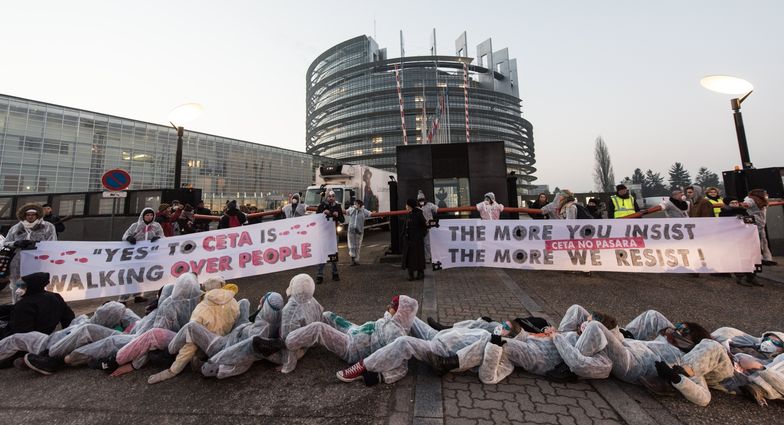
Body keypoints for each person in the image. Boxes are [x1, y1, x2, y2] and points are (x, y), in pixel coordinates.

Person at [284, 295, 418, 375]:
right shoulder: (392, 319)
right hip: (356, 331)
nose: (389, 307)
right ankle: (307, 338)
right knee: (326, 315)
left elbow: (398, 363)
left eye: (392, 305)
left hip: (352, 347)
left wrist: (379, 375)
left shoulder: (397, 334)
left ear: (400, 311)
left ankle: (288, 342)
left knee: (319, 328)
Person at [147, 284, 240, 384]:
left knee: (189, 329)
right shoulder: (234, 302)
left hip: (210, 348)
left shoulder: (201, 309)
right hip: (226, 342)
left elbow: (190, 345)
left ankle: (171, 348)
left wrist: (172, 371)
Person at [199, 291, 285, 379]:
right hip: (242, 329)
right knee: (244, 302)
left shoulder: (260, 334)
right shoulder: (277, 319)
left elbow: (240, 348)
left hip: (230, 344)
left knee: (192, 327)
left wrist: (213, 361)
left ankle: (204, 364)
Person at [2, 204, 57, 304]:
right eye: (28, 214)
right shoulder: (16, 228)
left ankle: (38, 307)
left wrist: (39, 246)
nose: (30, 216)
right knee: (18, 286)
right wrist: (16, 243)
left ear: (38, 215)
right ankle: (18, 307)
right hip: (18, 263)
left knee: (38, 285)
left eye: (33, 214)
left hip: (39, 262)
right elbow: (5, 242)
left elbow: (53, 243)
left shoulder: (48, 227)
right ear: (24, 215)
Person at [0, 273, 73, 343]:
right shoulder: (55, 297)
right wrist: (67, 337)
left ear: (30, 286)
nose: (18, 289)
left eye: (22, 286)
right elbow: (68, 318)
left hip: (18, 343)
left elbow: (20, 333)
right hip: (43, 337)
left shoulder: (25, 304)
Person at [277, 274, 324, 373]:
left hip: (299, 349)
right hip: (311, 340)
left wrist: (287, 364)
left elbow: (288, 340)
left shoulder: (290, 309)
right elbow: (320, 315)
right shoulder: (311, 299)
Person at [119, 208, 163, 304]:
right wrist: (129, 238)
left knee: (141, 276)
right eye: (147, 215)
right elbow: (125, 236)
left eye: (151, 215)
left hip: (150, 256)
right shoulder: (135, 226)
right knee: (131, 275)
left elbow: (163, 237)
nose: (149, 217)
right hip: (135, 255)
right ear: (143, 216)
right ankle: (123, 298)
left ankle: (138, 295)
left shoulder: (156, 226)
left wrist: (158, 238)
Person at [315, 191, 344, 284]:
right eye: (329, 196)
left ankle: (335, 273)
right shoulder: (321, 206)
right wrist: (323, 213)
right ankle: (320, 275)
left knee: (334, 253)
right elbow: (316, 218)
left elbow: (342, 219)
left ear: (334, 197)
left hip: (334, 233)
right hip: (323, 233)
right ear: (326, 197)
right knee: (322, 254)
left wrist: (338, 215)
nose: (331, 198)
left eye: (333, 196)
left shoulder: (338, 206)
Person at [744, 189, 776, 266]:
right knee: (757, 241)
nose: (767, 195)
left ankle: (766, 258)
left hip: (760, 223)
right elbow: (747, 204)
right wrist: (743, 205)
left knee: (763, 241)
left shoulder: (762, 200)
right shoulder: (750, 199)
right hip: (754, 222)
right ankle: (759, 258)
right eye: (765, 194)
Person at [401, 198, 426, 281]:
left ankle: (420, 273)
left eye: (406, 204)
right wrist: (404, 235)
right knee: (410, 258)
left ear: (410, 205)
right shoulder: (409, 214)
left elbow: (424, 226)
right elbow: (406, 226)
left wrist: (420, 236)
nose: (405, 206)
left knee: (418, 257)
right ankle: (411, 274)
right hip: (409, 240)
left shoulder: (418, 214)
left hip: (417, 240)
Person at [346, 199, 371, 266]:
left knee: (357, 246)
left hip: (359, 231)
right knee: (351, 246)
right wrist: (353, 209)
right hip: (351, 230)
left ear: (359, 204)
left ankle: (356, 260)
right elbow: (347, 212)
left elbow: (370, 214)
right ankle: (352, 260)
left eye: (356, 203)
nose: (355, 205)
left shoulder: (363, 211)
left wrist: (378, 214)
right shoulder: (352, 209)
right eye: (354, 203)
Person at [417, 191, 439, 263]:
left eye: (422, 199)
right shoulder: (417, 207)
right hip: (421, 227)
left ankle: (430, 257)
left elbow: (436, 208)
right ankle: (426, 258)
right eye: (420, 200)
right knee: (422, 243)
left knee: (428, 243)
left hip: (429, 227)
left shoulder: (429, 205)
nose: (421, 201)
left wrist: (436, 209)